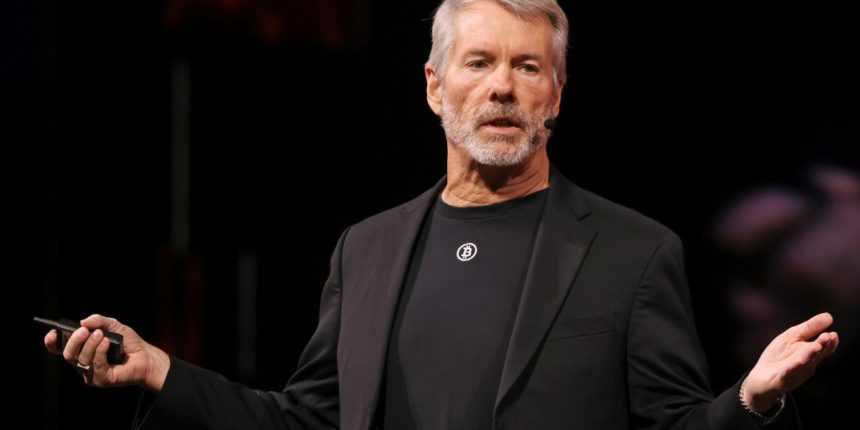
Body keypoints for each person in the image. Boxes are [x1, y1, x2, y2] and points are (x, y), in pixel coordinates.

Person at [44, 1, 839, 429]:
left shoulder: (634, 251)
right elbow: (307, 420)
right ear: (434, 86)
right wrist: (159, 370)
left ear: (556, 94)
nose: (503, 87)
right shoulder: (366, 249)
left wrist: (750, 402)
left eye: (528, 67)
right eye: (480, 62)